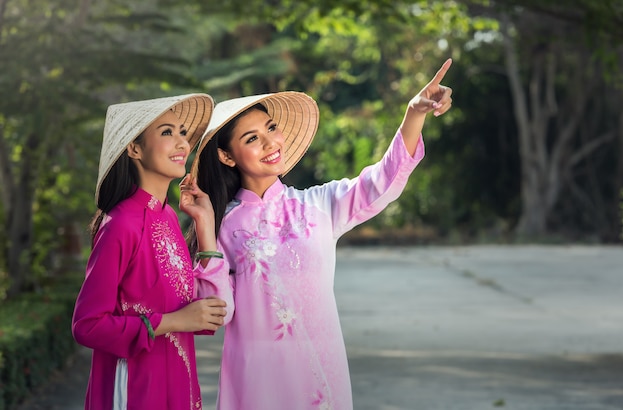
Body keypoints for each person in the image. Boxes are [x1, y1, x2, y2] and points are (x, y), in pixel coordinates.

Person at [187, 59, 453, 410]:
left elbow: (380, 182)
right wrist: (206, 231)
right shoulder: (225, 225)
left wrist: (413, 114)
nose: (270, 143)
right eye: (252, 139)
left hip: (321, 376)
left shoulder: (318, 205)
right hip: (257, 381)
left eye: (271, 129)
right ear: (226, 155)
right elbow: (219, 312)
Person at [72, 93, 231, 410]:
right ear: (134, 148)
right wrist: (173, 322)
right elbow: (87, 325)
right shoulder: (120, 225)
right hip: (135, 388)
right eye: (167, 132)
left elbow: (196, 312)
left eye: (182, 133)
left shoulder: (169, 216)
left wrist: (205, 223)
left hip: (178, 380)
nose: (182, 143)